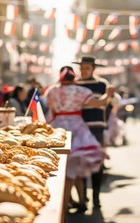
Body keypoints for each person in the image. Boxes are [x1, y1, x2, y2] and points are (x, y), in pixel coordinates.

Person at [44, 66, 112, 212]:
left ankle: (69, 202)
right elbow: (100, 103)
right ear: (73, 77)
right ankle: (78, 201)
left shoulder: (51, 91)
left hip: (57, 129)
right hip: (77, 129)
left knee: (62, 168)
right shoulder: (81, 91)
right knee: (74, 170)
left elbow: (51, 108)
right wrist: (108, 95)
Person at [73, 56, 118, 209]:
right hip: (80, 128)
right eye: (82, 68)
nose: (83, 71)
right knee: (82, 164)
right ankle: (83, 197)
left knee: (97, 164)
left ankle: (96, 198)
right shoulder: (75, 84)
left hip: (97, 128)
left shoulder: (102, 84)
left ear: (93, 69)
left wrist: (111, 96)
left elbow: (113, 103)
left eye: (86, 68)